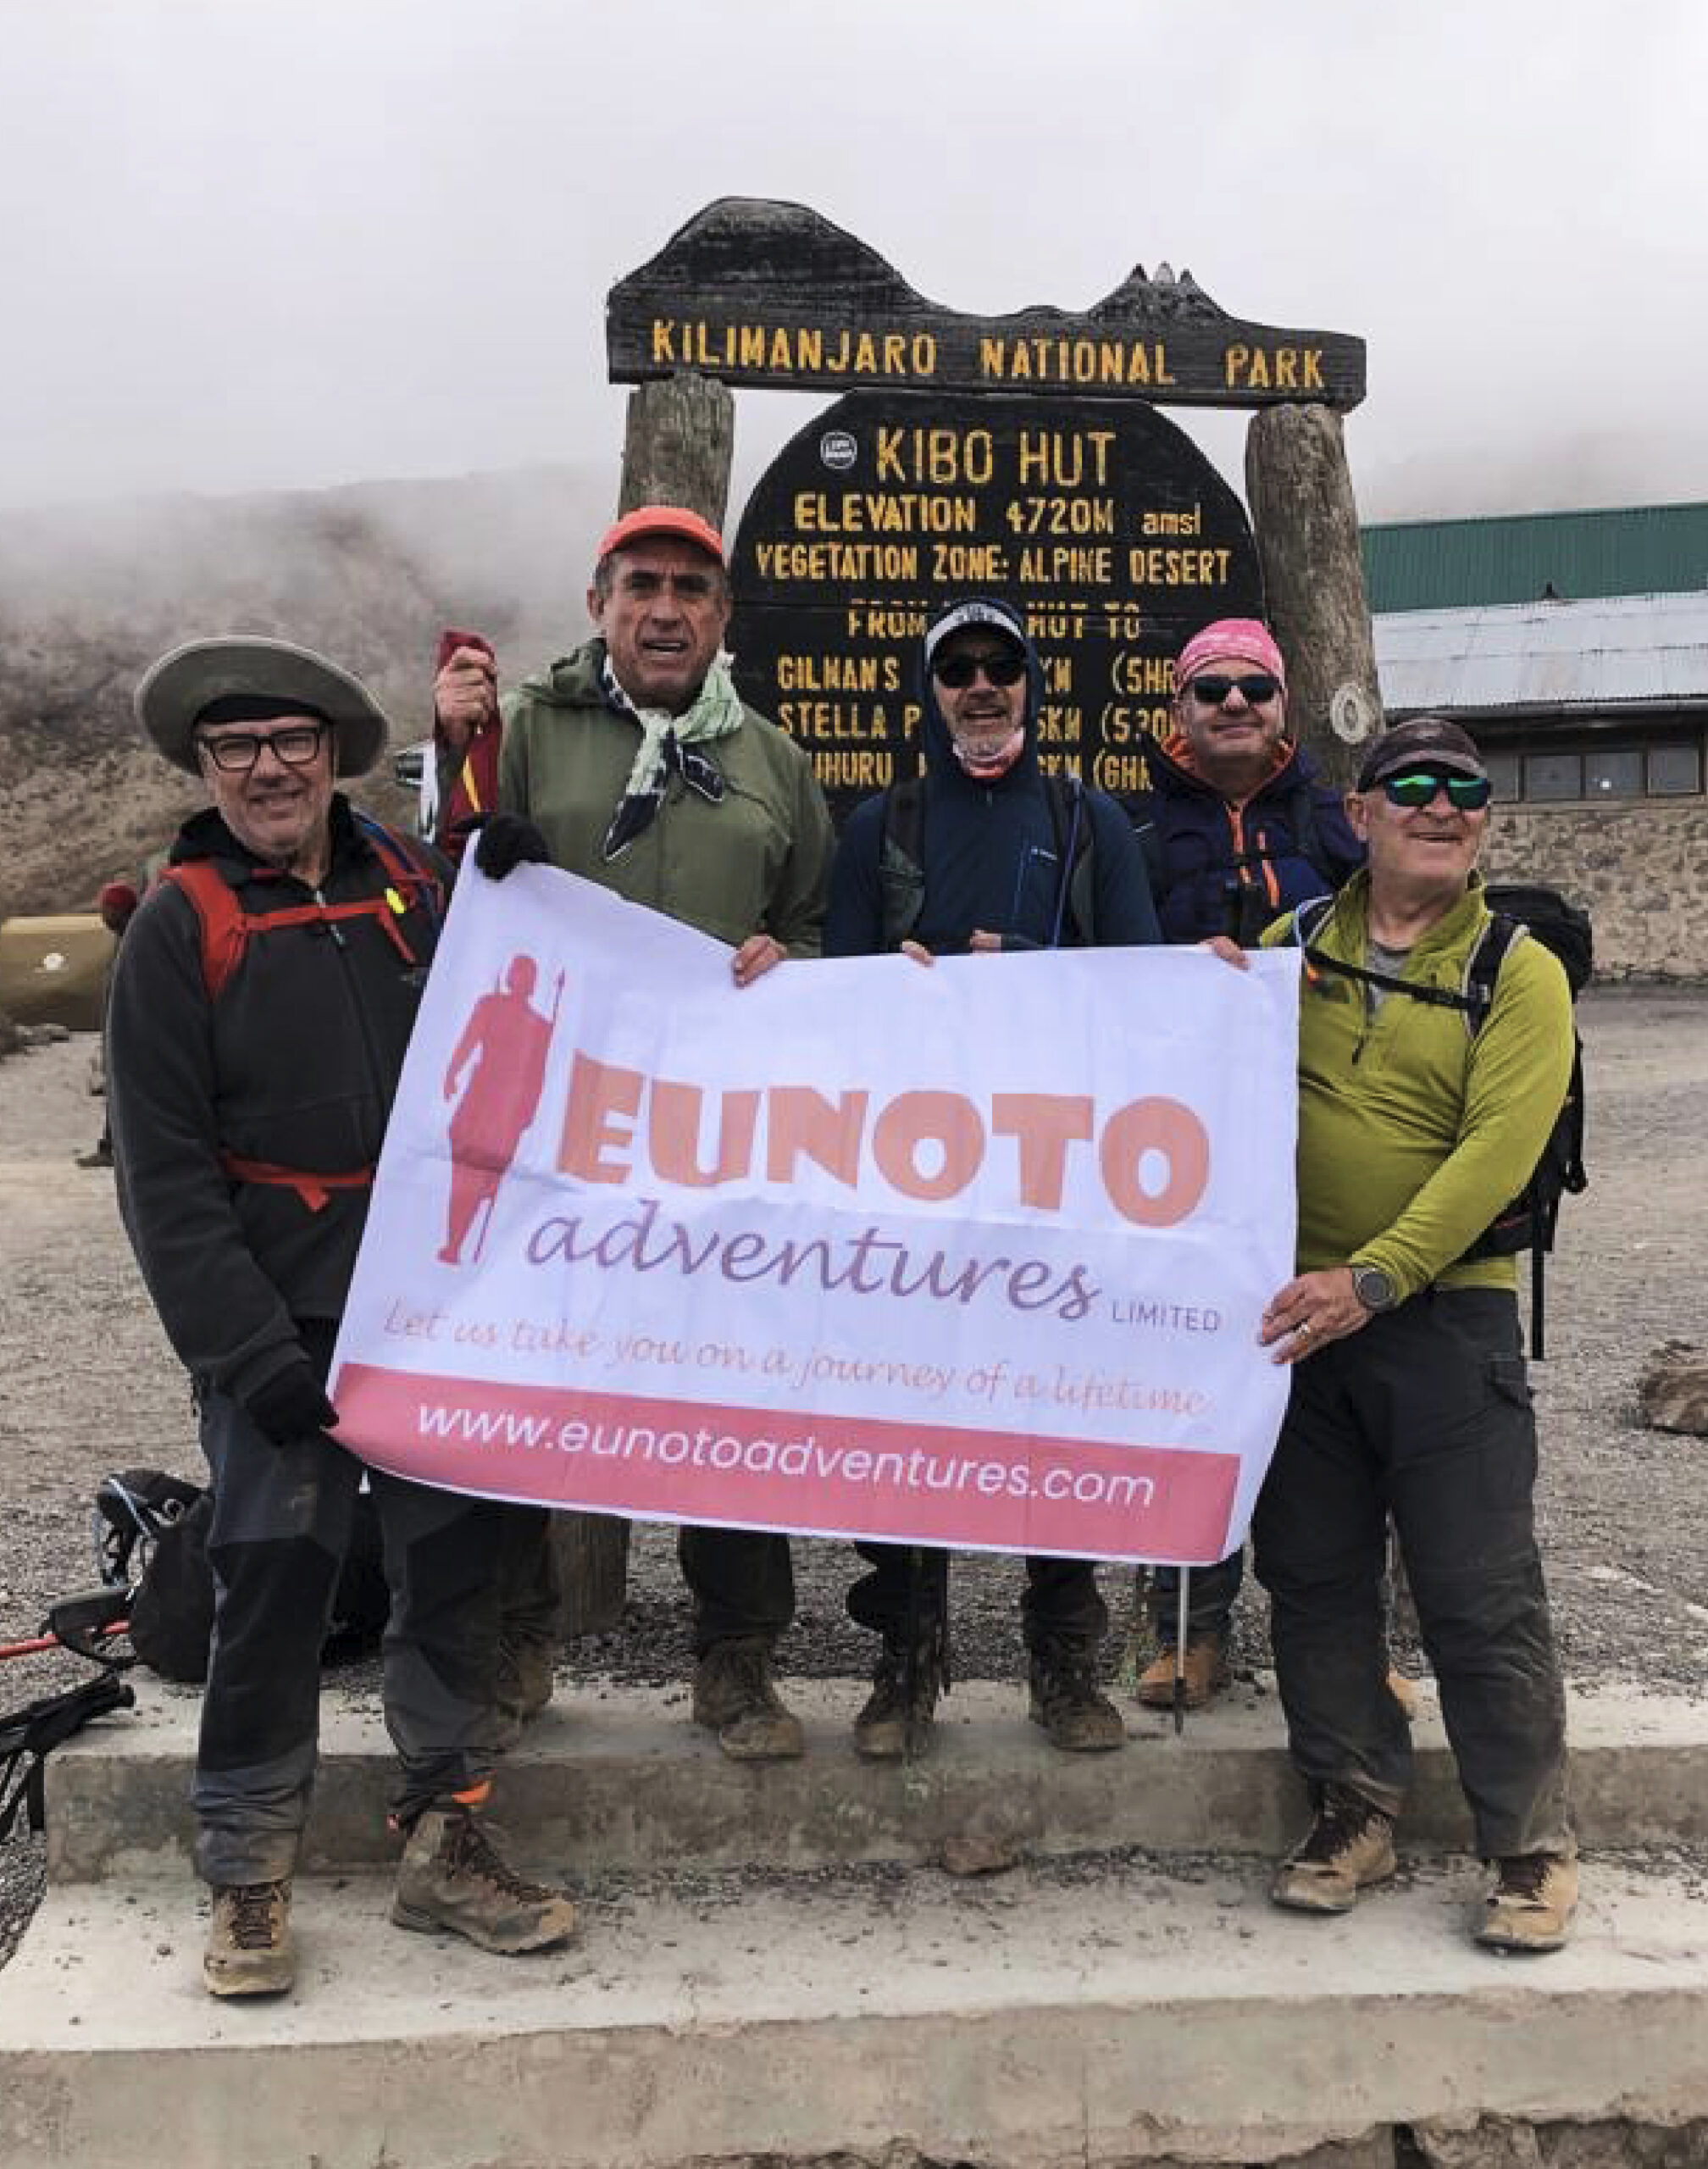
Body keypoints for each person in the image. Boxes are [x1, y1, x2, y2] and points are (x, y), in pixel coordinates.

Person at [108, 636, 576, 1999]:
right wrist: (246, 1354)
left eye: (291, 741)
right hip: (285, 1321)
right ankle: (248, 1872)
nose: (267, 768)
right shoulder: (178, 923)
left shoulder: (416, 890)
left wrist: (522, 883)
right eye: (236, 747)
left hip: (432, 1307)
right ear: (206, 768)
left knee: (454, 1575)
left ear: (333, 755)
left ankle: (447, 1838)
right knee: (272, 1577)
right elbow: (165, 1177)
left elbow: (535, 1004)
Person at [434, 505, 835, 1761]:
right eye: (642, 585)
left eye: (692, 590)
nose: (666, 609)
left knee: (727, 1393)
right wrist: (452, 756)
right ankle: (515, 1640)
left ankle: (736, 1658)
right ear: (601, 601)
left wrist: (791, 959)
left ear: (724, 616)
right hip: (554, 1130)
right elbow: (444, 882)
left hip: (716, 1144)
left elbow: (815, 920)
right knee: (532, 1382)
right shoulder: (526, 734)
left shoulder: (771, 757)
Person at [1246, 715, 1578, 1952]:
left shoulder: (1520, 969)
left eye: (1466, 792)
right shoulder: (1287, 949)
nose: (1443, 807)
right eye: (1414, 787)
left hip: (1444, 1316)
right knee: (1316, 1579)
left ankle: (1530, 1843)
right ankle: (1353, 1810)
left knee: (1478, 1589)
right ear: (1362, 811)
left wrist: (1372, 1280)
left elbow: (1497, 1150)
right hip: (1297, 1320)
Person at [824, 595, 1162, 1758]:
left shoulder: (1088, 822)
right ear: (930, 692)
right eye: (956, 669)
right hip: (913, 1187)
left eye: (1000, 666)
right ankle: (905, 1664)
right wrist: (893, 979)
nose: (980, 687)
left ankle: (1066, 1661)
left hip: (1053, 1178)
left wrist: (1024, 970)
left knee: (1051, 1420)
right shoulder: (880, 825)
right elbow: (836, 1000)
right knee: (911, 1420)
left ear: (1032, 682)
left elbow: (1138, 991)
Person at [1130, 619, 1365, 1711]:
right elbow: (1102, 974)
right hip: (1186, 1164)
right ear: (1179, 709)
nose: (1233, 704)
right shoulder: (1131, 833)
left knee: (1333, 1404)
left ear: (1284, 706)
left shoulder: (1337, 827)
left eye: (1253, 688)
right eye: (1211, 688)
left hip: (1320, 1142)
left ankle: (1351, 1643)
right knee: (1189, 1389)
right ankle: (1187, 1625)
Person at [75, 879, 141, 1168]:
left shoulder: (138, 939)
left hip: (136, 1032)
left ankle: (116, 1148)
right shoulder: (125, 937)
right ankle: (112, 1146)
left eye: (107, 908)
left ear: (120, 909)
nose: (103, 914)